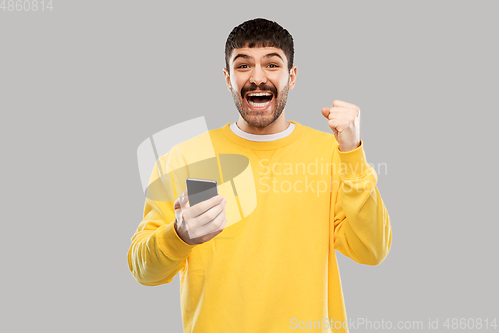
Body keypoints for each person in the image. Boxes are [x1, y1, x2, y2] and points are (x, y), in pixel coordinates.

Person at [128, 18, 392, 333]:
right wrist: (178, 236)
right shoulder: (185, 158)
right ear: (227, 78)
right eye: (242, 66)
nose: (257, 78)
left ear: (291, 77)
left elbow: (372, 250)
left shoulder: (331, 154)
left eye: (271, 64)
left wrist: (352, 153)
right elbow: (145, 272)